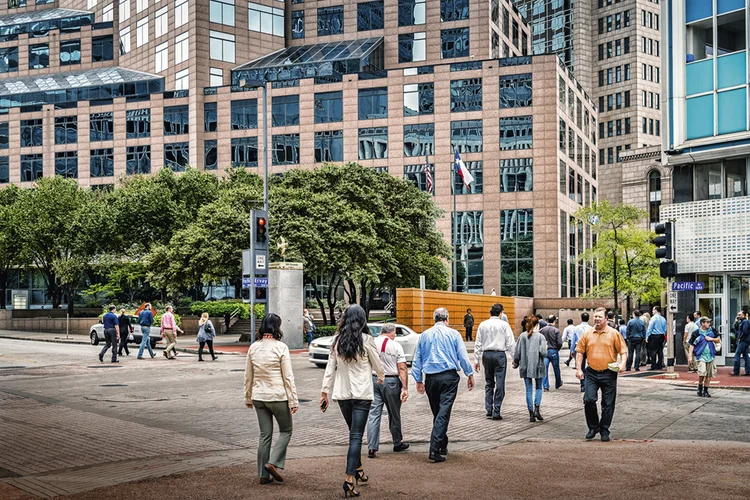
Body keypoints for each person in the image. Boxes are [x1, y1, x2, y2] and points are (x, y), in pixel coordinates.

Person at [320, 305, 384, 497]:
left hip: (342, 395)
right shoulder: (367, 340)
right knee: (356, 436)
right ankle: (349, 478)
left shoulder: (337, 341)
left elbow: (329, 369)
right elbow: (378, 364)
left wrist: (324, 393)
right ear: (362, 319)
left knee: (353, 433)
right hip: (362, 394)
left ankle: (359, 470)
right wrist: (380, 376)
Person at [412, 307, 474, 463]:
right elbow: (463, 356)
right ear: (447, 319)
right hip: (449, 377)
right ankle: (434, 448)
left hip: (431, 378)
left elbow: (417, 358)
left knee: (438, 412)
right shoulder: (454, 334)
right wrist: (469, 374)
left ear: (434, 319)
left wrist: (418, 379)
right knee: (443, 412)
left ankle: (442, 443)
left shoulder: (424, 335)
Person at [245, 313, 298, 485]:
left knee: (264, 435)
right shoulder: (281, 347)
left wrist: (248, 397)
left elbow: (248, 376)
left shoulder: (253, 347)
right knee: (286, 430)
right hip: (277, 396)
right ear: (277, 328)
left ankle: (262, 474)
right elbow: (288, 377)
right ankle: (273, 463)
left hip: (259, 397)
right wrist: (293, 400)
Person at [575, 307, 628, 442]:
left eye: (600, 317)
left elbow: (623, 351)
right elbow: (580, 351)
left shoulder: (614, 334)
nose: (597, 319)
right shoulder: (587, 334)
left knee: (608, 404)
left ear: (606, 319)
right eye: (595, 317)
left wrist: (622, 364)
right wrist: (578, 369)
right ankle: (593, 427)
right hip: (591, 372)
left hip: (609, 373)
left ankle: (604, 429)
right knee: (588, 399)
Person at [366, 324, 409, 459]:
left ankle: (372, 446)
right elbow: (402, 368)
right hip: (391, 382)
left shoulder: (371, 342)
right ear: (392, 332)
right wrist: (405, 387)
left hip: (374, 380)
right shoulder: (395, 345)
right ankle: (397, 442)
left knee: (374, 414)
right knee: (394, 413)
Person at [474, 303, 515, 420]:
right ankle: (497, 410)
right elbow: (510, 343)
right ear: (501, 313)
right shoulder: (504, 325)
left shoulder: (483, 325)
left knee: (489, 382)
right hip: (499, 355)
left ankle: (488, 409)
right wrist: (513, 358)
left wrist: (476, 360)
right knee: (500, 383)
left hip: (486, 354)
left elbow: (478, 343)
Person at [513, 317, 547, 422]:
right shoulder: (541, 337)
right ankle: (537, 408)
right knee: (539, 388)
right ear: (537, 325)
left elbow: (517, 353)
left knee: (528, 389)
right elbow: (543, 353)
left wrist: (516, 362)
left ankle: (531, 413)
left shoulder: (522, 336)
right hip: (538, 365)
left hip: (525, 365)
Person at [689, 317, 721, 397]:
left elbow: (718, 340)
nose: (709, 324)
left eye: (709, 322)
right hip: (701, 355)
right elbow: (692, 345)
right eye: (707, 322)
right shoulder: (696, 333)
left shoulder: (712, 331)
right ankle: (700, 385)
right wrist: (690, 356)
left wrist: (711, 339)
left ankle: (706, 390)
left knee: (709, 374)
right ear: (702, 323)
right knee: (702, 372)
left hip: (711, 355)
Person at [540, 315, 563, 391]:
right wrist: (557, 349)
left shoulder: (542, 330)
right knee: (556, 368)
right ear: (554, 321)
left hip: (545, 351)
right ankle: (558, 383)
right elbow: (559, 342)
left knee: (545, 369)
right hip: (554, 350)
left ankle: (546, 386)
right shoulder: (556, 330)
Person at [571, 312, 591, 391]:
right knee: (589, 366)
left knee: (580, 366)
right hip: (588, 348)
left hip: (579, 349)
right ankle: (587, 381)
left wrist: (572, 350)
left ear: (581, 318)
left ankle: (582, 384)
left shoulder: (576, 328)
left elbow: (573, 340)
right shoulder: (591, 328)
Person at [646, 306, 667, 370]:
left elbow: (650, 328)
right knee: (660, 351)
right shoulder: (663, 319)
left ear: (656, 310)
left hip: (654, 336)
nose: (652, 311)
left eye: (653, 310)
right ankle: (660, 364)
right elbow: (665, 328)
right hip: (661, 335)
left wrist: (647, 336)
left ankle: (654, 365)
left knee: (653, 351)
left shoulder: (653, 318)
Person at [731, 309, 750, 377]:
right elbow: (736, 329)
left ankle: (736, 371)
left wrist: (740, 338)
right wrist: (736, 322)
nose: (738, 316)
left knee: (737, 354)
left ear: (743, 315)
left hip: (743, 341)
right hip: (744, 340)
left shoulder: (745, 322)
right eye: (738, 315)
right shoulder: (741, 322)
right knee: (745, 356)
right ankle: (748, 371)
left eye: (740, 315)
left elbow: (745, 331)